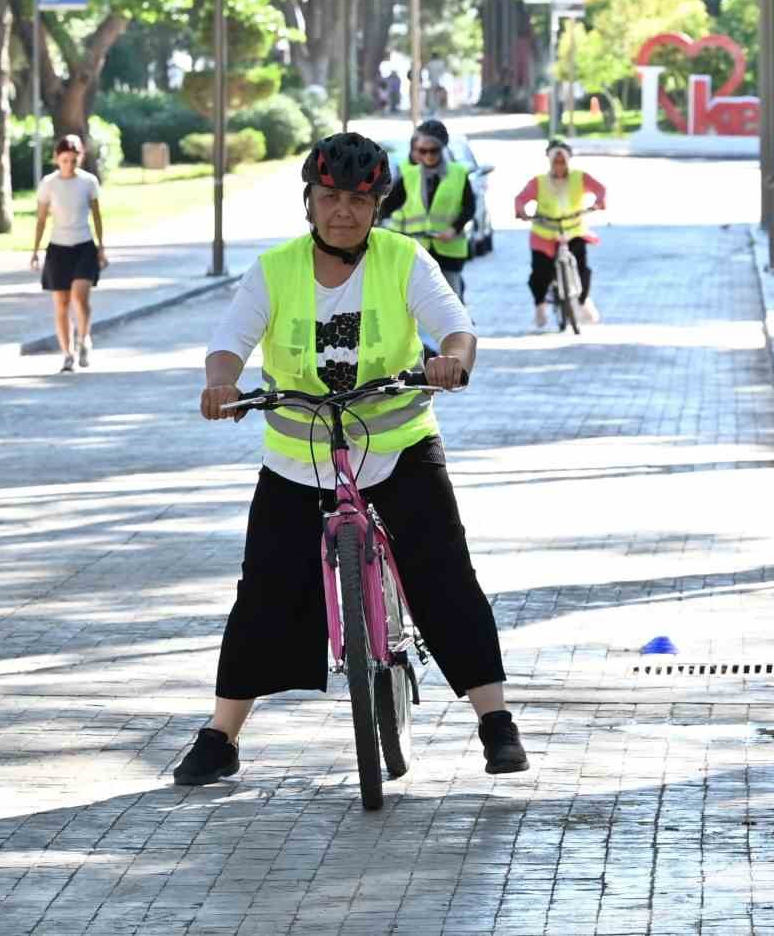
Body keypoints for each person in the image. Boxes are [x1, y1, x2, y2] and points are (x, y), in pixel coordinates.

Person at [175, 132, 528, 787]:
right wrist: (221, 384)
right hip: (297, 456)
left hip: (397, 448)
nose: (344, 211)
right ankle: (220, 735)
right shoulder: (274, 269)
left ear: (378, 205)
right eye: (330, 197)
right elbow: (229, 344)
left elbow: (455, 326)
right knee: (264, 591)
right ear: (308, 202)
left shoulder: (402, 259)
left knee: (445, 571)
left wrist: (452, 361)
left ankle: (495, 720)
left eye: (360, 200)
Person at [30, 134, 108, 373]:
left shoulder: (88, 182)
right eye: (65, 160)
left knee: (80, 298)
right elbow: (41, 218)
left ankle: (84, 339)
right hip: (58, 248)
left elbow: (96, 215)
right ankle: (67, 353)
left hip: (84, 245)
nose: (69, 165)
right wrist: (35, 250)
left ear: (80, 158)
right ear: (56, 159)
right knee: (61, 303)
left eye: (74, 160)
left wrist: (101, 247)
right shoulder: (49, 183)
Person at [379, 118, 475, 301]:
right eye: (423, 151)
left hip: (449, 250)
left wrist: (454, 229)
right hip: (416, 250)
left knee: (452, 302)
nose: (429, 155)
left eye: (434, 150)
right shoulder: (409, 175)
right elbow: (386, 207)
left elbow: (469, 207)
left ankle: (460, 329)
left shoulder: (458, 173)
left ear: (442, 149)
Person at [515, 138, 607, 328]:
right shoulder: (539, 182)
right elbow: (521, 198)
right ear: (549, 161)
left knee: (582, 268)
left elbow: (600, 189)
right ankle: (540, 307)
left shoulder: (579, 177)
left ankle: (583, 301)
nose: (559, 165)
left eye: (562, 160)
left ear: (568, 160)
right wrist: (522, 211)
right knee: (540, 272)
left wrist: (599, 202)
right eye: (555, 161)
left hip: (573, 231)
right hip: (544, 233)